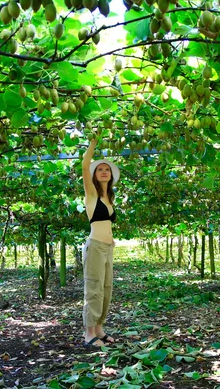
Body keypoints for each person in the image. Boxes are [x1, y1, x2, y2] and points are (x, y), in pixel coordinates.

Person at [81, 138, 120, 348]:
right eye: (100, 169)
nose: (104, 172)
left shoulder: (108, 198)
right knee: (94, 288)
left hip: (106, 248)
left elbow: (107, 223)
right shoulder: (92, 194)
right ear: (95, 175)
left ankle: (99, 328)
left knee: (106, 288)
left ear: (111, 175)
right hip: (95, 246)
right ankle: (89, 333)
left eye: (107, 169)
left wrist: (111, 239)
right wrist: (93, 143)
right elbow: (84, 166)